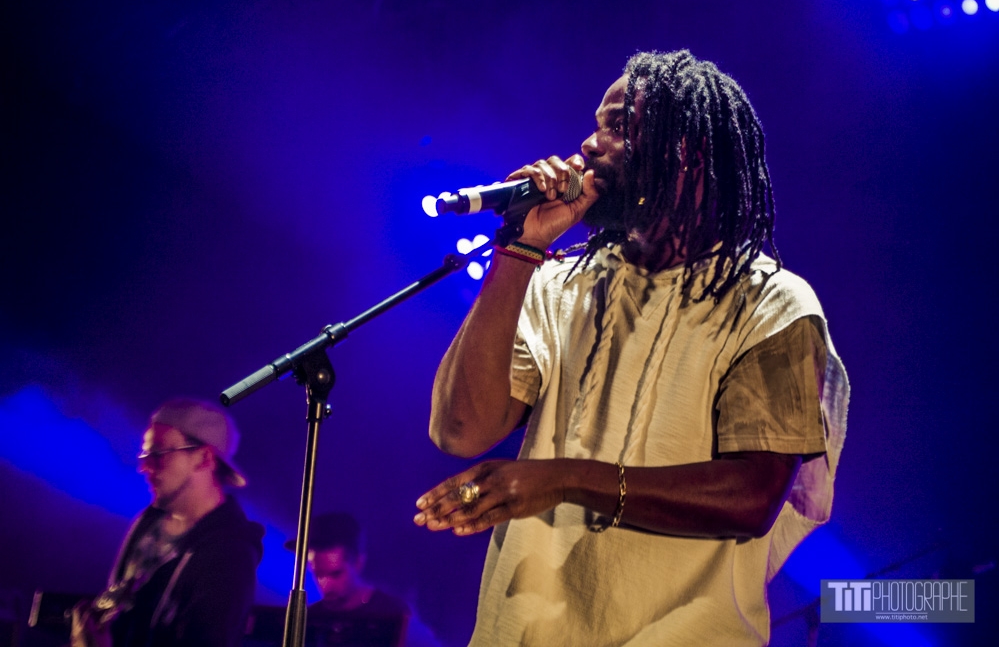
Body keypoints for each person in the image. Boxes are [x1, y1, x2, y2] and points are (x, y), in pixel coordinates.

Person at [413, 50, 849, 646]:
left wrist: (564, 479)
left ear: (690, 152)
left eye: (620, 127)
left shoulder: (771, 304)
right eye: (596, 125)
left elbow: (751, 496)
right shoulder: (560, 283)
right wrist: (519, 249)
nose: (590, 145)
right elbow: (460, 431)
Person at [71, 398, 264, 647]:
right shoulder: (148, 521)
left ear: (204, 458)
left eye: (158, 454)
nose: (144, 467)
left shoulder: (230, 555)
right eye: (145, 455)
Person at [285, 511, 410, 647]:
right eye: (319, 574)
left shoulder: (392, 612)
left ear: (358, 563)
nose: (325, 585)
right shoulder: (309, 618)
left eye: (336, 574)